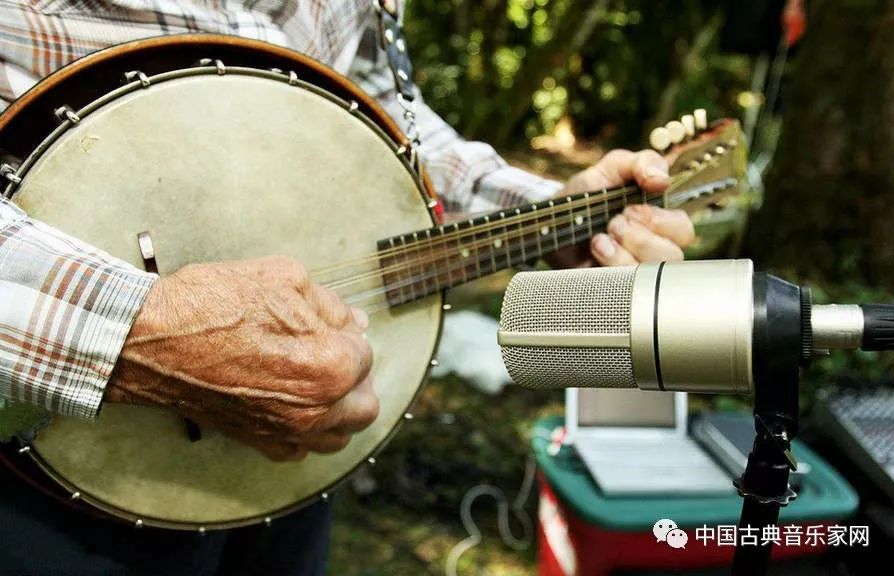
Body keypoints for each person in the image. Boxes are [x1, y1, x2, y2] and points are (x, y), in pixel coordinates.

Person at [0, 1, 695, 574]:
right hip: (41, 480)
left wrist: (541, 211)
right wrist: (133, 333)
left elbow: (382, 111)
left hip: (293, 450)